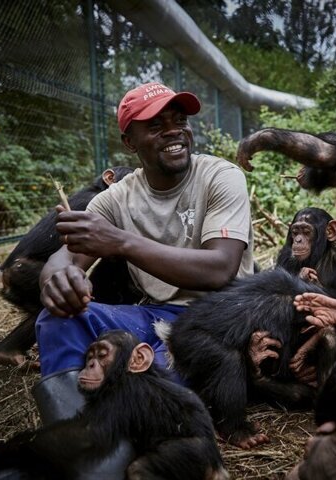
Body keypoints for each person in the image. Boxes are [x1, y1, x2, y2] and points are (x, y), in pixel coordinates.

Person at [32, 81, 254, 425]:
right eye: (155, 126)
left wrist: (120, 242)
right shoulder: (116, 198)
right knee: (57, 317)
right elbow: (66, 256)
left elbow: (219, 269)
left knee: (151, 377)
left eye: (179, 121)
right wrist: (57, 279)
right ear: (129, 142)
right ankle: (71, 433)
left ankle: (111, 436)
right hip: (153, 317)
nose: (173, 132)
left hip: (220, 320)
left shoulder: (220, 177)